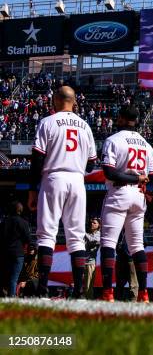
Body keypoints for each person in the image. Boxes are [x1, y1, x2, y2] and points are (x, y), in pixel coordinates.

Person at [28, 86, 97, 299]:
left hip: (53, 177)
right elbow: (92, 164)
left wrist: (32, 189)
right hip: (77, 180)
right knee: (76, 237)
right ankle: (79, 292)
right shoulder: (85, 126)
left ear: (56, 100)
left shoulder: (47, 122)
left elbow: (37, 159)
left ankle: (42, 290)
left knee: (47, 235)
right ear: (74, 101)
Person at [99, 106, 153, 302]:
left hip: (119, 191)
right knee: (137, 245)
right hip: (138, 196)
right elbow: (152, 175)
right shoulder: (146, 145)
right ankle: (144, 293)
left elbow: (110, 173)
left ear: (122, 118)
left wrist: (133, 178)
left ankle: (107, 292)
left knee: (108, 243)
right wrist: (140, 179)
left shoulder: (113, 140)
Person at [0, 201, 30, 297]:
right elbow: (27, 238)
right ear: (20, 210)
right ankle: (11, 297)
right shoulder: (23, 222)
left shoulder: (4, 222)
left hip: (5, 253)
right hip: (18, 253)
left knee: (6, 276)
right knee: (14, 278)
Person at [83, 217, 101, 299]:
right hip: (81, 261)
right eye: (91, 222)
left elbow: (92, 240)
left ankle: (89, 302)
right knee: (80, 284)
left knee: (88, 286)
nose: (92, 224)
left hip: (90, 263)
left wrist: (82, 232)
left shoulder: (99, 234)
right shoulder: (87, 233)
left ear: (99, 225)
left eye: (94, 223)